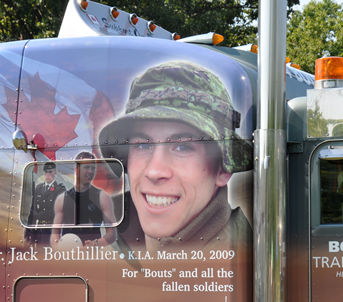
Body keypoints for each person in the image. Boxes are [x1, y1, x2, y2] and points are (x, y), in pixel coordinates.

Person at [98, 61, 253, 252]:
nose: (154, 172)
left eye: (182, 147)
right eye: (143, 145)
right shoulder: (102, 240)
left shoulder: (237, 263)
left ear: (223, 169)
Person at [51, 151, 117, 248]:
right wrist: (59, 250)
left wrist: (94, 244)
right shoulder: (62, 199)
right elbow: (55, 234)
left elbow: (112, 234)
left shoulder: (102, 197)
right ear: (77, 170)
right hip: (68, 255)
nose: (90, 171)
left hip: (92, 256)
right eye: (86, 167)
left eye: (93, 168)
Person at [24, 162, 65, 247]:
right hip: (38, 229)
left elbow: (56, 212)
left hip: (51, 230)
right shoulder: (39, 188)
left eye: (50, 172)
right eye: (46, 172)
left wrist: (38, 215)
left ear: (55, 173)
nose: (48, 175)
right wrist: (28, 230)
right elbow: (33, 209)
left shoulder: (59, 190)